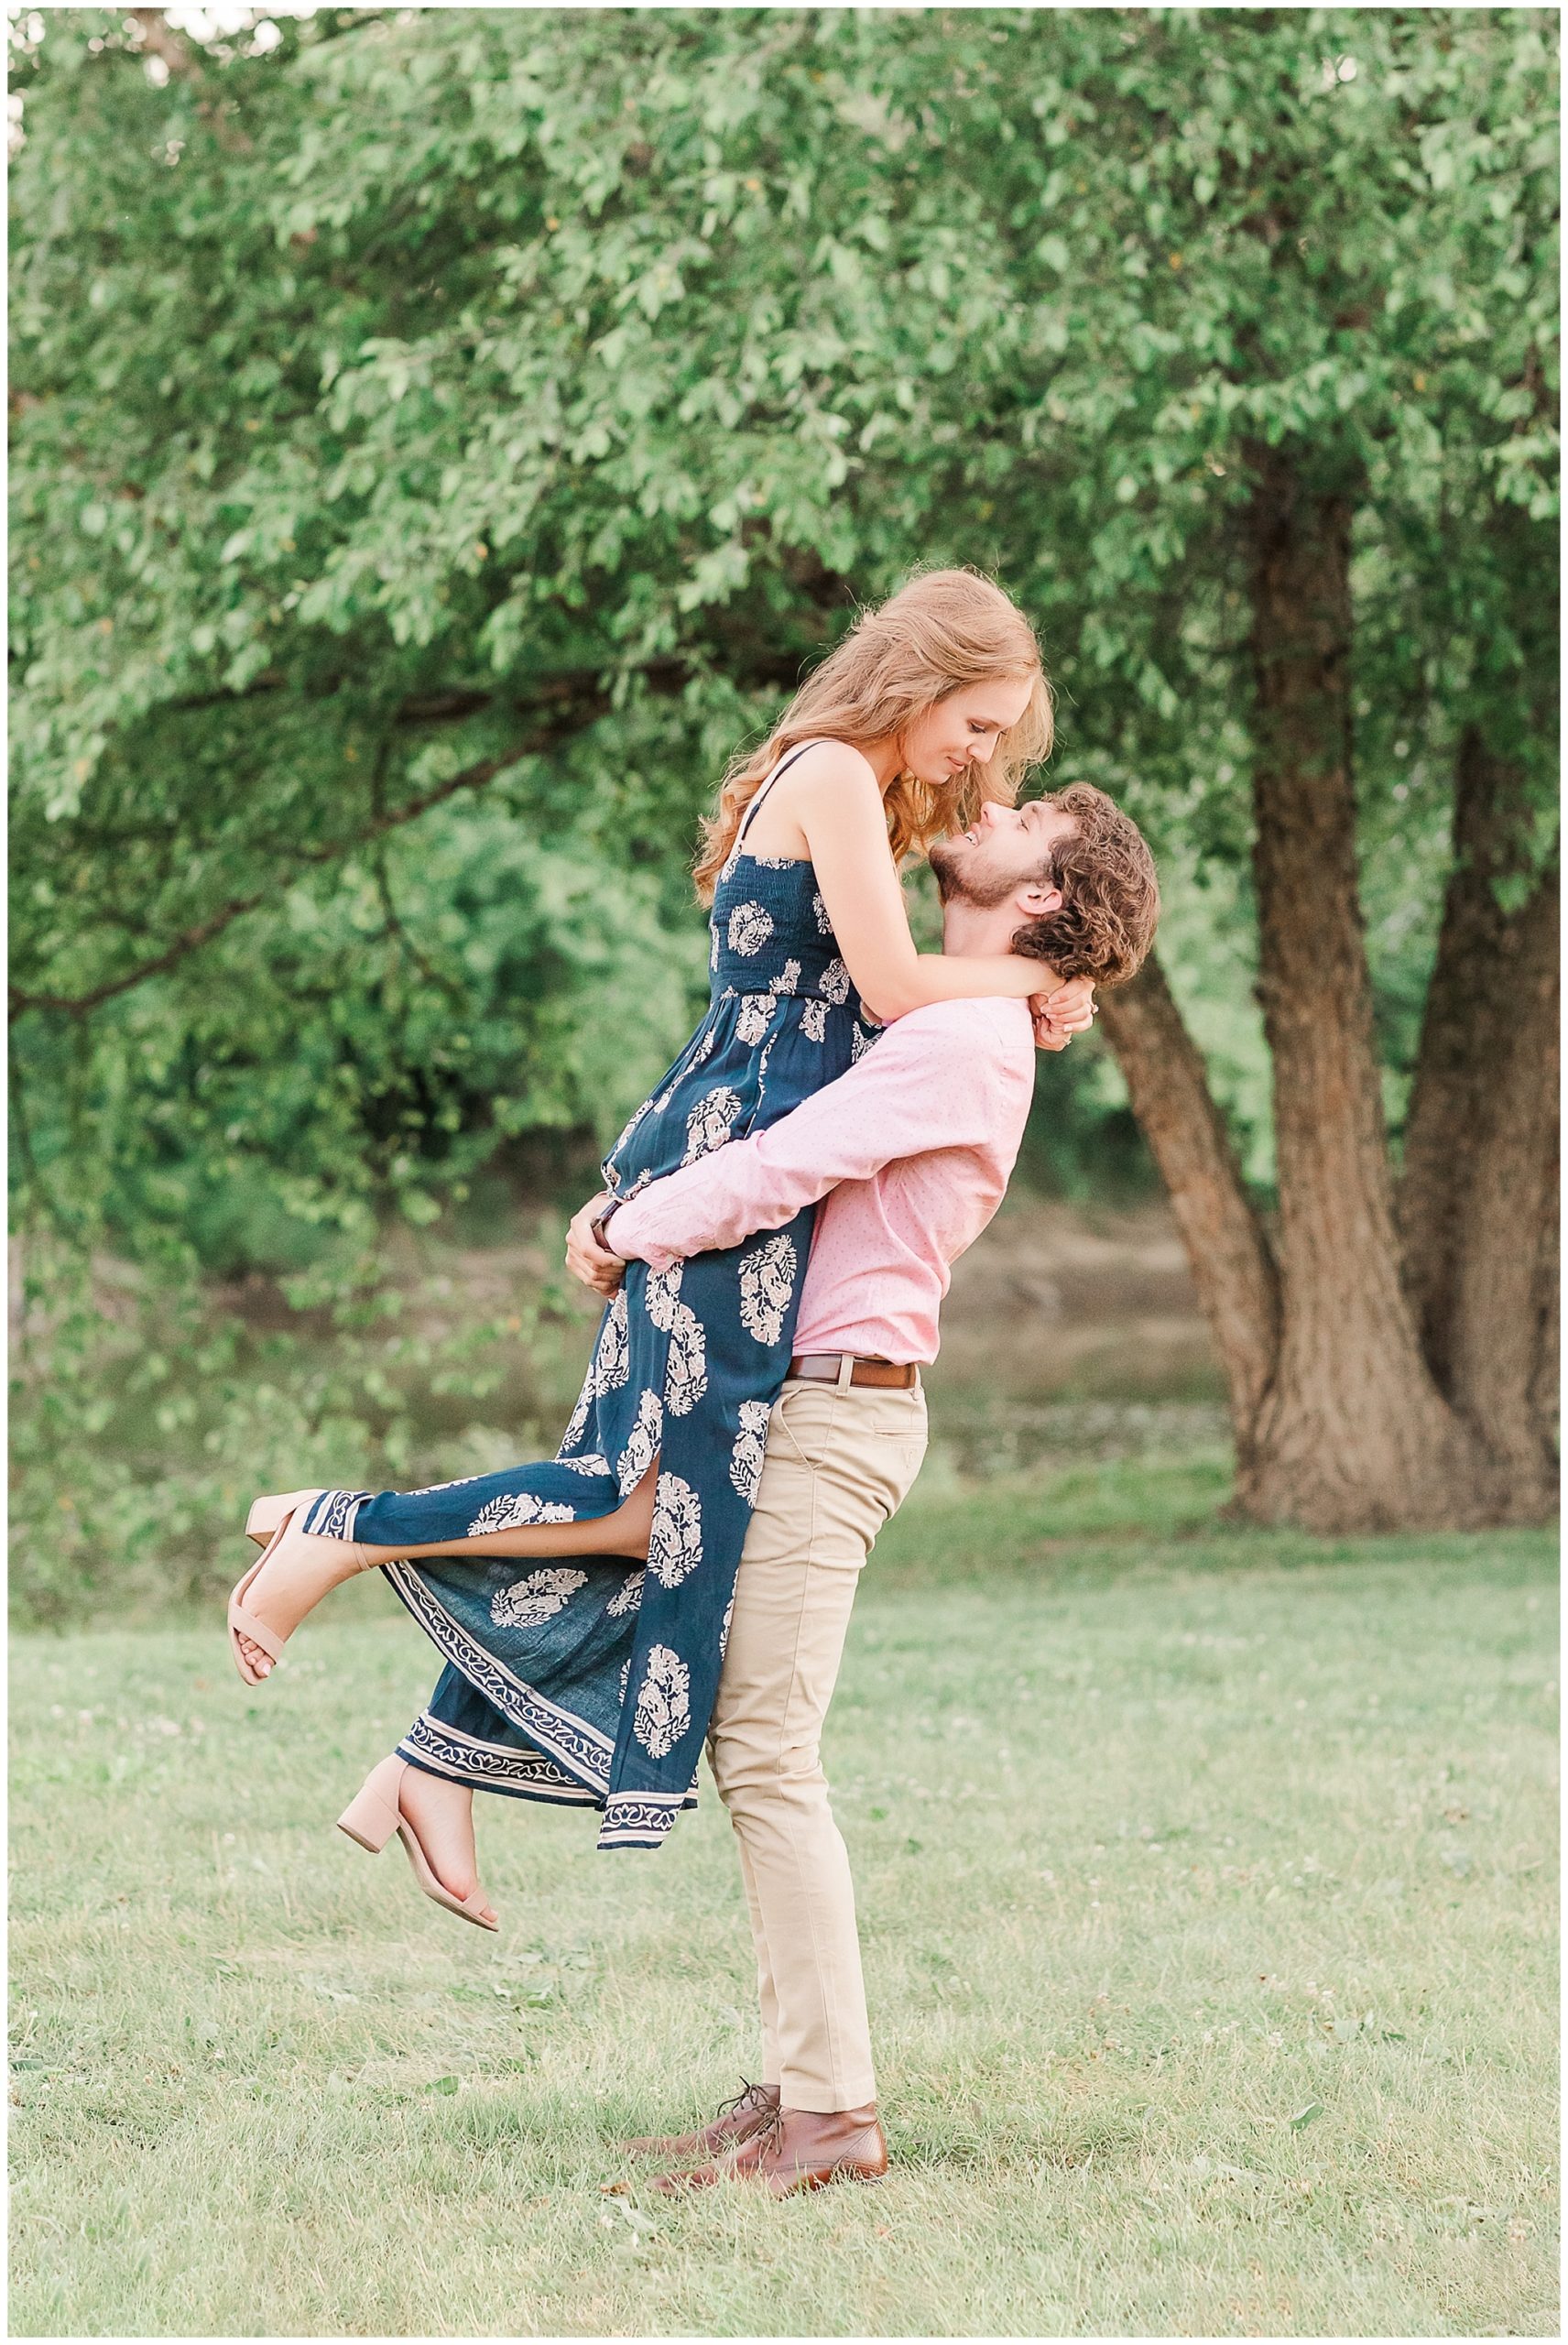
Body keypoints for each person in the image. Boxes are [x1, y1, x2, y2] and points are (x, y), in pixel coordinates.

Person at [226, 570, 1098, 1898]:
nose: (983, 762)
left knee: (657, 1514)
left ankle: (431, 1763)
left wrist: (1048, 969)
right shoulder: (833, 782)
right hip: (739, 1180)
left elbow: (948, 937)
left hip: (733, 1173)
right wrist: (1044, 974)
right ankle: (344, 1529)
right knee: (639, 1502)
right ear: (920, 677)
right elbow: (894, 987)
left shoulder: (865, 795)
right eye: (976, 724)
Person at [559, 779, 1159, 2194]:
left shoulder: (965, 1036)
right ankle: (792, 2089)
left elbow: (789, 1163)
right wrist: (1055, 991)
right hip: (810, 1406)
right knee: (755, 1750)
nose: (997, 793)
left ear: (1044, 898)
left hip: (835, 1417)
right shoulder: (963, 1012)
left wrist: (621, 1227)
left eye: (1034, 810)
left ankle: (832, 2117)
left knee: (767, 1753)